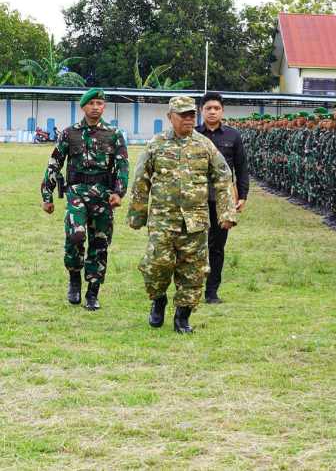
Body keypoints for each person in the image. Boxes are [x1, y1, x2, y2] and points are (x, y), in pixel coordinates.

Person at [127, 96, 237, 334]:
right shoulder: (156, 144)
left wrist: (226, 212)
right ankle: (158, 300)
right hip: (162, 220)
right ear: (170, 117)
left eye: (191, 115)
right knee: (156, 265)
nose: (188, 119)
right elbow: (141, 180)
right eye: (183, 115)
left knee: (193, 271)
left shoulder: (205, 145)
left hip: (195, 221)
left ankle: (182, 316)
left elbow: (223, 177)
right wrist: (137, 214)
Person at [40, 88, 129, 310]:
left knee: (100, 244)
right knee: (76, 236)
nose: (96, 107)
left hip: (103, 196)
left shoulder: (114, 134)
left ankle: (92, 293)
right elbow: (54, 164)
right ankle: (74, 279)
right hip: (76, 193)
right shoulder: (70, 133)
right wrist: (47, 195)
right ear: (83, 107)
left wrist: (118, 192)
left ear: (104, 107)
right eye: (91, 103)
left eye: (100, 103)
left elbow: (122, 166)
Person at [196, 92, 249, 304]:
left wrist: (242, 195)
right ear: (201, 111)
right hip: (196, 198)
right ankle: (193, 288)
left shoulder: (233, 136)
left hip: (222, 200)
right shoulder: (193, 134)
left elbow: (241, 167)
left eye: (216, 108)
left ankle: (211, 292)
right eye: (208, 108)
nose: (212, 112)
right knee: (194, 245)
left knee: (217, 247)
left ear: (222, 111)